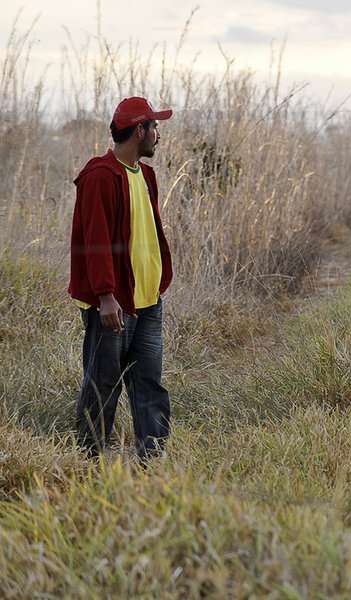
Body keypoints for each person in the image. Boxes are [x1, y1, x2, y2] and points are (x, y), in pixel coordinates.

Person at [69, 96, 175, 460]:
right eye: (154, 127)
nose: (158, 135)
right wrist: (105, 296)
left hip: (147, 301)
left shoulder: (145, 174)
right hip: (115, 303)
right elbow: (94, 241)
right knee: (103, 386)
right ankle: (87, 462)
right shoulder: (101, 175)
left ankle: (154, 463)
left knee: (150, 385)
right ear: (140, 130)